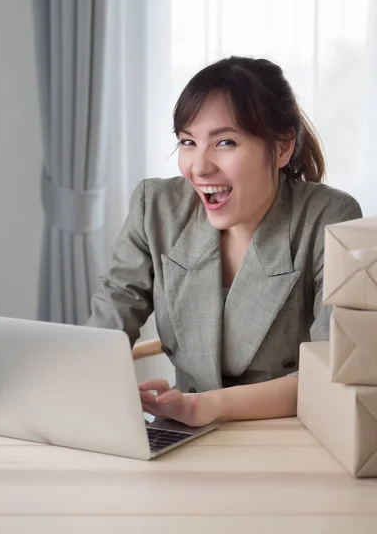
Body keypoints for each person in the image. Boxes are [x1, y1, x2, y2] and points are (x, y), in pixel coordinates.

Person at [87, 56, 362, 427]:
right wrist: (80, 383)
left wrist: (205, 406)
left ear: (281, 148)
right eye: (188, 141)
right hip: (182, 430)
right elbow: (105, 327)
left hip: (290, 433)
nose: (199, 167)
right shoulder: (154, 207)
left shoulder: (329, 216)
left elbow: (331, 371)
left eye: (225, 142)